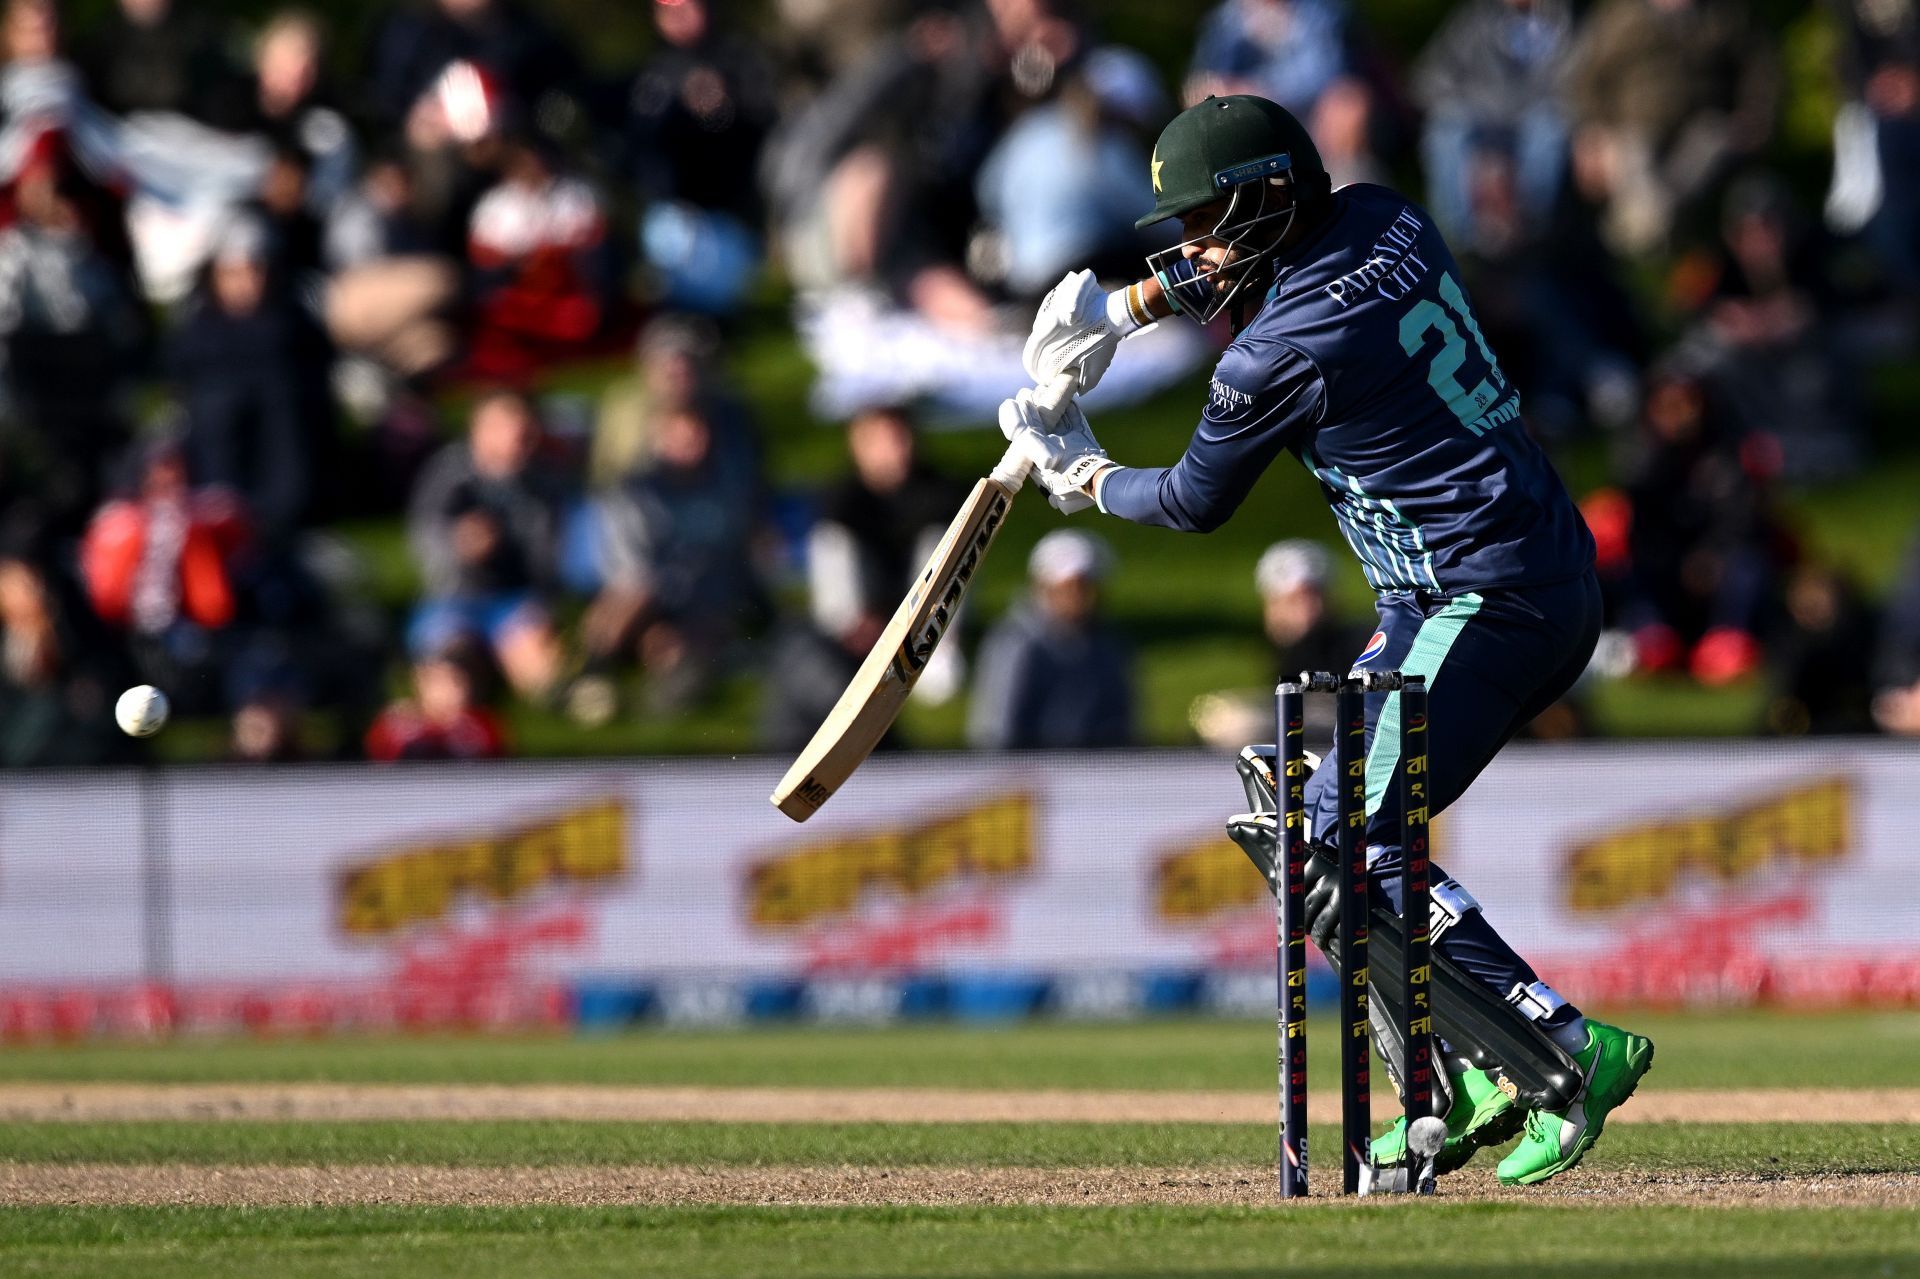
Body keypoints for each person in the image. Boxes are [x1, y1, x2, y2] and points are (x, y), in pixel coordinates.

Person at [1003, 93, 1651, 1187]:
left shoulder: (1278, 359)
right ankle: (1456, 1079)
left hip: (1481, 598)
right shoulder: (1383, 214)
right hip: (1498, 577)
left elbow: (1197, 499)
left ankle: (1563, 1051)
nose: (1196, 250)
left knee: (1349, 844)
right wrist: (1117, 311)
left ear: (1262, 203)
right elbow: (1249, 261)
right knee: (1309, 842)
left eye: (1209, 219)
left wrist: (1086, 474)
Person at [967, 528, 1134, 750]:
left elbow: (1121, 727)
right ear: (1043, 586)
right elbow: (996, 733)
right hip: (1027, 779)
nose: (1087, 597)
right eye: (1074, 586)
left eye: (1091, 585)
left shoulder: (1108, 646)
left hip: (1095, 778)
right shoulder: (1014, 646)